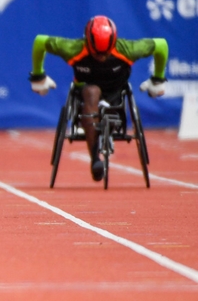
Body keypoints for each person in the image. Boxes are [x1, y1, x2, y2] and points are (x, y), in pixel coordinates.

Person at [28, 15, 169, 181]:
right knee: (92, 91)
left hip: (116, 93)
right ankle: (95, 158)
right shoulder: (73, 48)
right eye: (97, 54)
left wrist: (158, 79)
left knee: (98, 93)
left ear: (114, 42)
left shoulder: (127, 49)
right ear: (87, 42)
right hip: (86, 95)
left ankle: (108, 122)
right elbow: (40, 41)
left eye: (106, 54)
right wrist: (38, 76)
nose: (101, 58)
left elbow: (161, 45)